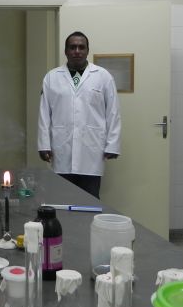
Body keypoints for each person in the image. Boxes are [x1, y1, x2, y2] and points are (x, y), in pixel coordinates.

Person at [37, 31, 121, 198]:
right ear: (66, 51)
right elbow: (44, 114)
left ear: (87, 50)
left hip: (91, 151)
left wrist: (112, 144)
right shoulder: (51, 77)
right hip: (61, 149)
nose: (77, 51)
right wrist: (43, 144)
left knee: (90, 201)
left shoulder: (103, 77)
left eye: (81, 47)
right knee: (61, 199)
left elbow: (113, 112)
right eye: (73, 47)